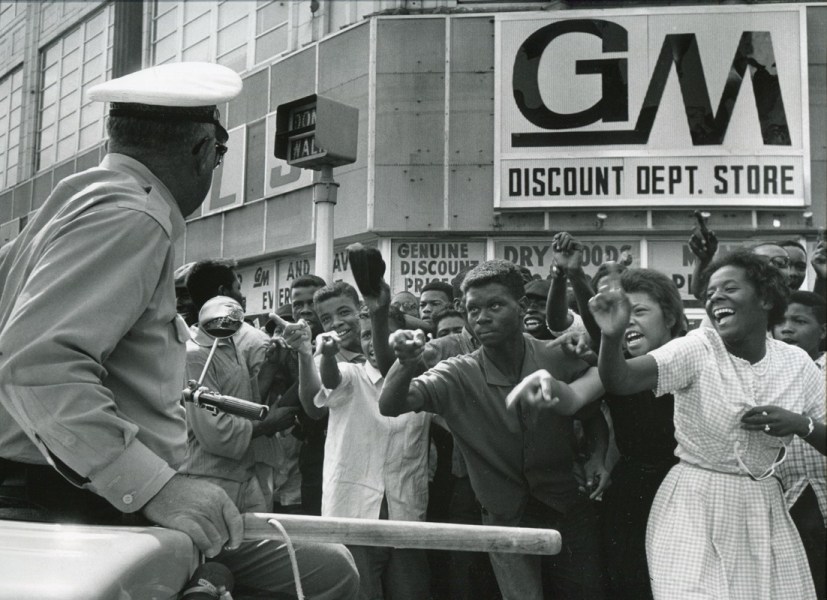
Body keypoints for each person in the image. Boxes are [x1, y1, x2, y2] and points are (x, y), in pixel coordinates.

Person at [0, 62, 245, 557]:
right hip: (74, 501)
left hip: (56, 489)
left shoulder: (73, 202)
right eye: (218, 156)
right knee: (328, 573)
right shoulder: (133, 213)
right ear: (202, 150)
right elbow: (36, 365)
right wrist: (154, 486)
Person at [589, 248, 825, 600]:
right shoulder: (698, 347)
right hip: (694, 502)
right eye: (711, 292)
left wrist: (800, 423)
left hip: (762, 506)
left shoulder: (796, 364)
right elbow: (621, 380)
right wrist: (610, 336)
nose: (716, 298)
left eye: (729, 289)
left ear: (764, 298)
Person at [380, 260, 605, 600]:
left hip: (567, 506)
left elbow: (595, 403)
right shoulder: (456, 373)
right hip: (504, 516)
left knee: (585, 593)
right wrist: (405, 365)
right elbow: (391, 404)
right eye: (473, 309)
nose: (482, 317)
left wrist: (598, 454)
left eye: (495, 305)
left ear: (521, 307)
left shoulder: (557, 355)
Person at [182, 295, 358, 599]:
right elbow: (217, 433)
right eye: (225, 317)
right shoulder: (196, 355)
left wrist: (275, 366)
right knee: (334, 566)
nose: (231, 322)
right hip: (209, 494)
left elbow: (248, 407)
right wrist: (267, 424)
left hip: (244, 490)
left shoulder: (231, 349)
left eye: (236, 316)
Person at [773, 290, 827, 600]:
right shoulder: (767, 374)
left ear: (823, 331)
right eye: (780, 321)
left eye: (799, 320)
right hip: (789, 500)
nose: (787, 328)